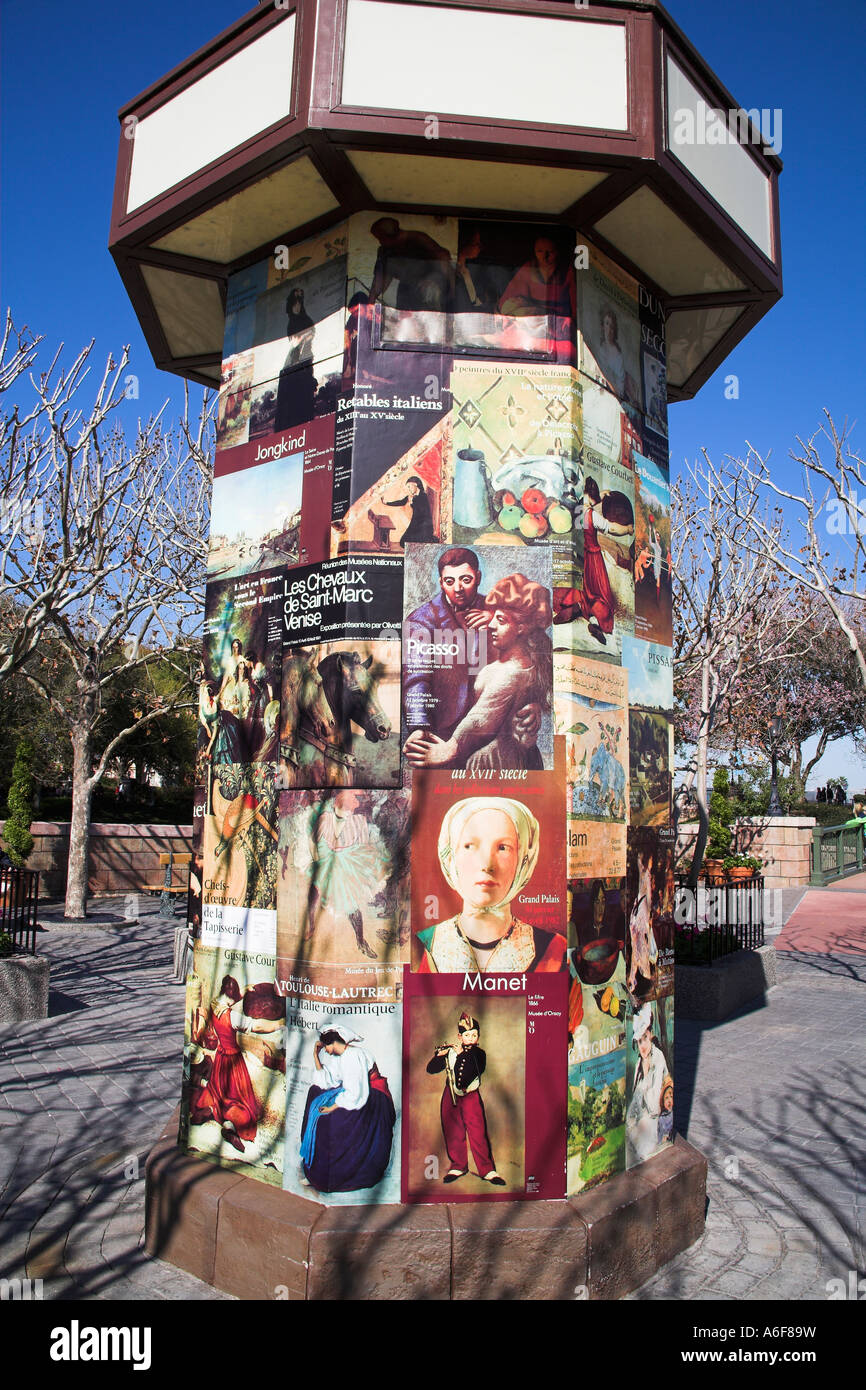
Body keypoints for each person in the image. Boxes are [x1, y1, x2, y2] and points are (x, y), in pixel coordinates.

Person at [402, 548, 541, 763]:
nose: (458, 589)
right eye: (449, 582)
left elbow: (527, 659)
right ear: (441, 583)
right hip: (443, 735)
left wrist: (532, 703)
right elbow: (415, 679)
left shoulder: (501, 614)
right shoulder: (421, 621)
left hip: (499, 733)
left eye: (465, 579)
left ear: (478, 578)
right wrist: (419, 726)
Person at [415, 796, 566, 973]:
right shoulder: (420, 948)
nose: (486, 865)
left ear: (523, 861)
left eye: (503, 847)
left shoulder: (555, 950)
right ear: (450, 858)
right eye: (470, 846)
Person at [188, 975, 284, 1155]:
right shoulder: (232, 1016)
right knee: (240, 1101)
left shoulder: (216, 1005)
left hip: (221, 1058)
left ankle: (211, 1113)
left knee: (218, 1093)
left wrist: (245, 990)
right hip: (233, 1060)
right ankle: (232, 1126)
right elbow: (259, 1027)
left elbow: (232, 1000)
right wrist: (280, 1023)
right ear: (232, 995)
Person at [290, 790, 389, 960]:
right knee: (314, 891)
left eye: (351, 809)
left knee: (352, 903)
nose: (349, 813)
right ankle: (311, 925)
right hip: (326, 857)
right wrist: (317, 860)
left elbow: (363, 845)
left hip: (348, 860)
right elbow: (313, 840)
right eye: (346, 809)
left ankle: (361, 941)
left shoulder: (358, 821)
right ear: (336, 806)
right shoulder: (325, 818)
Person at [298, 1023, 396, 1193]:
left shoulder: (353, 1056)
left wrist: (332, 1108)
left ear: (334, 1043)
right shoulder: (340, 1056)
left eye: (326, 1046)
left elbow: (355, 1093)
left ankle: (327, 1176)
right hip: (355, 1093)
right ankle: (315, 1170)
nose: (326, 1050)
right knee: (314, 1093)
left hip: (372, 1098)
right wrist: (316, 1056)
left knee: (331, 1121)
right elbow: (330, 1080)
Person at [426, 1012, 505, 1187]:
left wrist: (460, 1053)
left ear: (478, 1036)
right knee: (453, 1129)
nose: (471, 1039)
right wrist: (440, 1055)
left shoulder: (479, 1054)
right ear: (459, 1036)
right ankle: (458, 1165)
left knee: (477, 1131)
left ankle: (487, 1170)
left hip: (470, 1096)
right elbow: (430, 1069)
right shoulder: (452, 1052)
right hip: (451, 1095)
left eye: (474, 1035)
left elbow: (470, 1072)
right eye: (467, 1035)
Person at [553, 477, 634, 646]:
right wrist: (627, 529)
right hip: (593, 557)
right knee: (598, 592)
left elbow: (590, 502)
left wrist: (601, 495)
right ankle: (597, 621)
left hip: (577, 557)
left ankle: (576, 605)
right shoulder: (591, 516)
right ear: (591, 496)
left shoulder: (574, 510)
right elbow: (611, 527)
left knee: (580, 587)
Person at [368, 217, 452, 311]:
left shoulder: (418, 239)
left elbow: (444, 256)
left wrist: (433, 279)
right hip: (406, 292)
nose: (380, 242)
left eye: (381, 238)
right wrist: (370, 302)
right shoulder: (386, 250)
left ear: (390, 236)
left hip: (427, 291)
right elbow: (382, 278)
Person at [625, 1003, 668, 1164]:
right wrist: (631, 1127)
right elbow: (632, 1108)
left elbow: (654, 1106)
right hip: (639, 1129)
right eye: (638, 1041)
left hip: (653, 1127)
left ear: (650, 1035)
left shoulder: (658, 1058)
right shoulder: (639, 1064)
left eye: (644, 1039)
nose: (642, 1046)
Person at [499, 235, 576, 321]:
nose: (544, 257)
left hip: (558, 320)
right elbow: (507, 298)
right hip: (532, 320)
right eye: (540, 251)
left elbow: (576, 307)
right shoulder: (529, 268)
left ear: (558, 251)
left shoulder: (568, 271)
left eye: (550, 252)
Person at [385, 475, 436, 544]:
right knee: (403, 542)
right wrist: (387, 503)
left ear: (415, 485)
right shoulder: (412, 496)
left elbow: (422, 511)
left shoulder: (423, 496)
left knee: (410, 543)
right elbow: (401, 502)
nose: (408, 489)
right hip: (415, 524)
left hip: (423, 527)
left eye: (409, 487)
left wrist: (412, 503)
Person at [657, 1075, 674, 1144]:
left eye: (671, 1097)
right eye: (666, 1098)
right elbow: (661, 1137)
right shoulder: (662, 1118)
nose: (669, 1100)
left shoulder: (672, 1113)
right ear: (663, 1102)